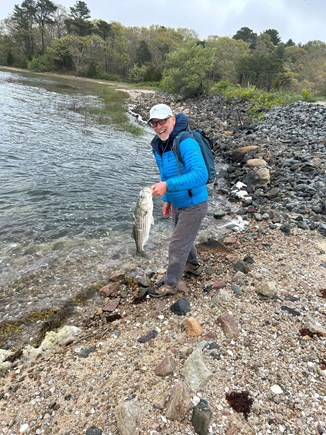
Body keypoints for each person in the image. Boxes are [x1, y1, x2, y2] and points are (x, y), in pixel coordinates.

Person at [149, 103, 208, 297]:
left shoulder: (186, 142)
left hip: (194, 204)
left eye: (162, 121)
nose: (159, 127)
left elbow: (201, 175)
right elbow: (165, 174)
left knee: (176, 244)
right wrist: (167, 198)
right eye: (154, 123)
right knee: (184, 239)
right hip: (177, 202)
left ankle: (170, 284)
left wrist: (167, 187)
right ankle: (193, 266)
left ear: (172, 119)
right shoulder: (159, 145)